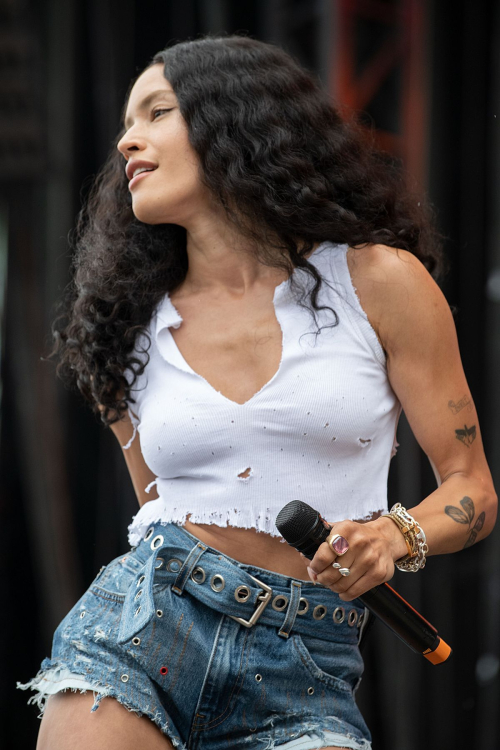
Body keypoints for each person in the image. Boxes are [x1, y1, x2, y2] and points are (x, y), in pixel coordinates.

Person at [17, 34, 497, 750]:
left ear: (233, 120)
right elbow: (154, 507)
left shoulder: (378, 282)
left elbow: (473, 490)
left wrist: (394, 535)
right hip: (145, 620)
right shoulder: (125, 322)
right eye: (124, 122)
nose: (127, 141)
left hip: (304, 658)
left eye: (155, 113)